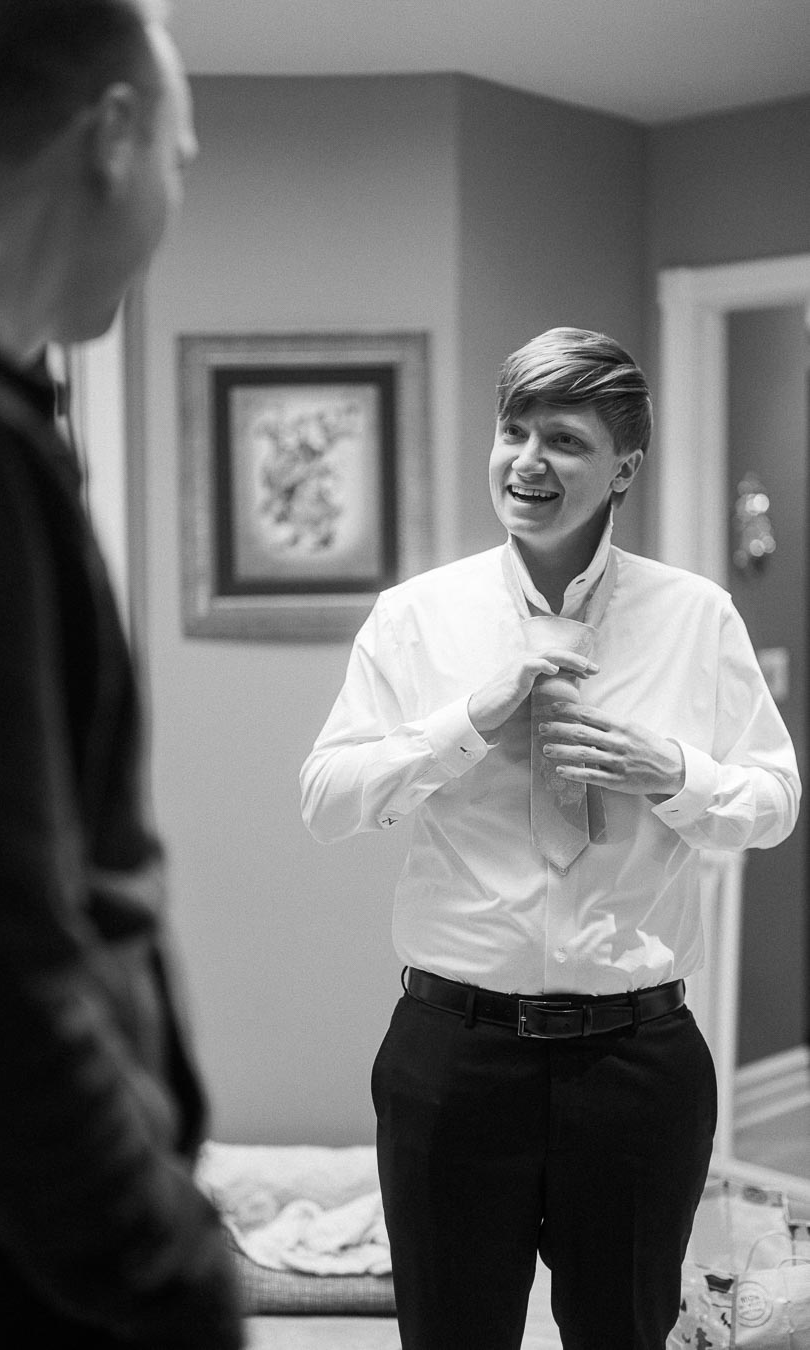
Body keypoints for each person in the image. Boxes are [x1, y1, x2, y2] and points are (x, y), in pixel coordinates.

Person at [300, 327, 800, 1350]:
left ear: (625, 466)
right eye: (513, 430)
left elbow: (774, 801)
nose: (527, 461)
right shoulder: (415, 619)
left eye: (563, 439)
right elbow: (328, 798)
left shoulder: (696, 619)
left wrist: (673, 774)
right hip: (453, 1057)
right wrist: (462, 727)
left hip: (638, 1063)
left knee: (622, 1336)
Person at [0, 1, 242, 1346]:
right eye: (180, 156)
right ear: (111, 136)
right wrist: (169, 1270)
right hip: (9, 1277)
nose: (172, 198)